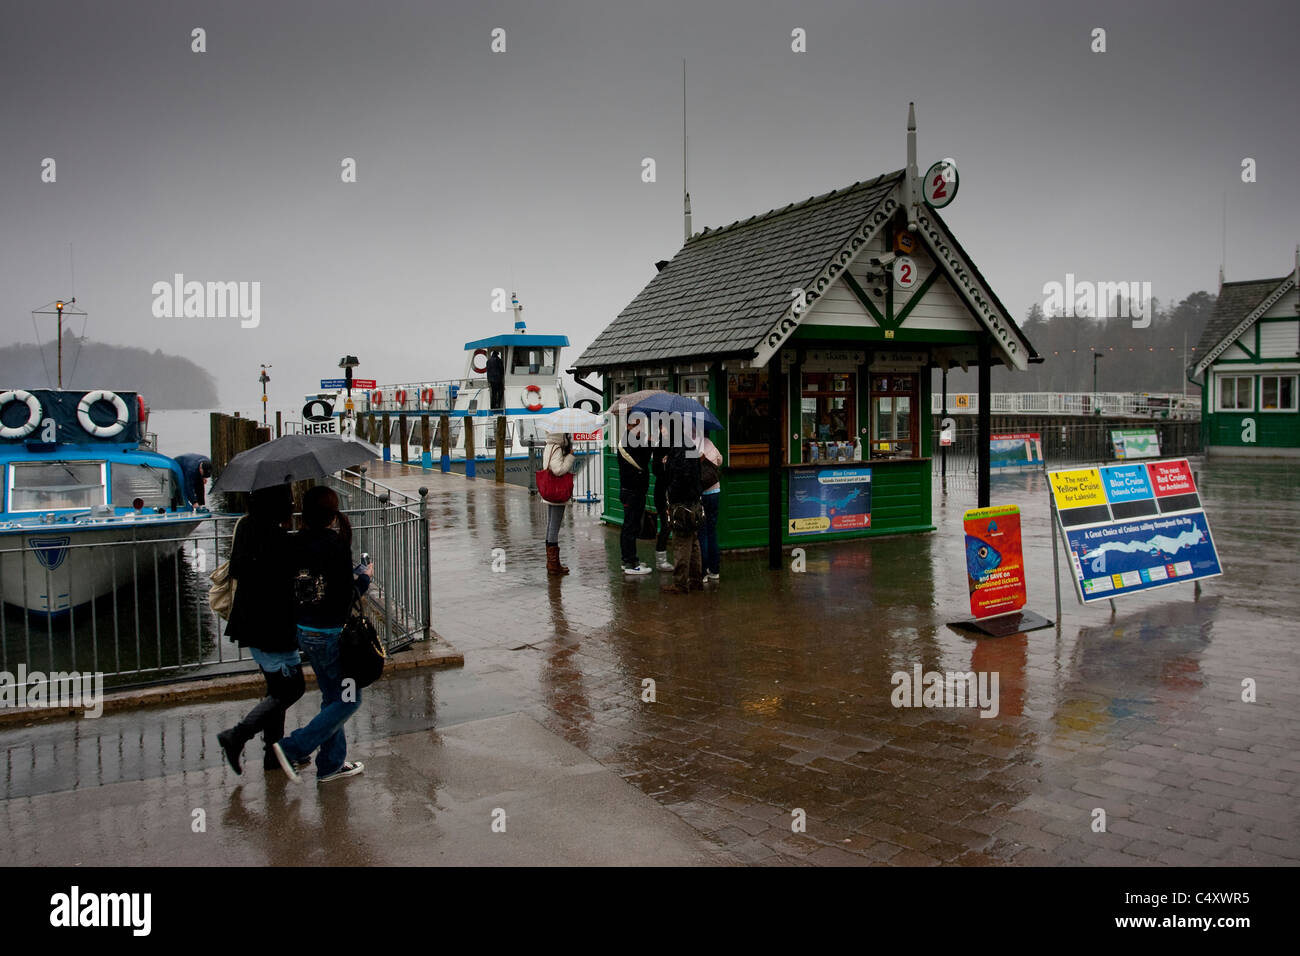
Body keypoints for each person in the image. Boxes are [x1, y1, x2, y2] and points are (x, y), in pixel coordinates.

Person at [272, 486, 372, 784]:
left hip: (305, 631)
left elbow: (310, 583)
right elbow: (345, 594)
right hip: (330, 634)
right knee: (349, 699)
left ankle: (330, 764)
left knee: (332, 696)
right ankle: (292, 747)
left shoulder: (293, 543)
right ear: (331, 515)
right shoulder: (336, 544)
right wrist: (364, 578)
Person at [216, 484, 307, 775]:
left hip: (251, 620)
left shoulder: (246, 527)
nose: (292, 504)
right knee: (292, 688)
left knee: (276, 689)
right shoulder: (276, 536)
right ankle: (237, 736)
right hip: (273, 623)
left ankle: (273, 754)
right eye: (288, 499)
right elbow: (291, 572)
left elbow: (239, 570)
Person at [662, 424, 704, 593]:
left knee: (681, 543)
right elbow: (695, 472)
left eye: (664, 428)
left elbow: (680, 477)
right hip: (694, 501)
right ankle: (696, 580)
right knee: (693, 542)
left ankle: (680, 583)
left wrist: (671, 495)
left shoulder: (678, 449)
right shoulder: (689, 445)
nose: (661, 431)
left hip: (681, 503)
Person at [616, 414, 653, 575]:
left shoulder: (634, 440)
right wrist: (649, 445)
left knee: (632, 526)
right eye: (637, 425)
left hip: (635, 491)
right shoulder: (626, 443)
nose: (640, 429)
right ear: (629, 426)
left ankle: (630, 559)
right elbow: (641, 463)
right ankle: (630, 562)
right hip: (631, 491)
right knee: (630, 527)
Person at [541, 428, 575, 576]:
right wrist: (570, 457)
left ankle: (551, 562)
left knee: (550, 524)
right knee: (554, 525)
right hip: (557, 491)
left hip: (550, 489)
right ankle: (553, 564)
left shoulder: (549, 445)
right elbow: (558, 470)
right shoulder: (556, 448)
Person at [697, 435, 723, 582]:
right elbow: (720, 460)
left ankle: (703, 572)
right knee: (712, 532)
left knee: (702, 533)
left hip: (702, 494)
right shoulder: (708, 442)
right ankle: (714, 569)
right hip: (715, 492)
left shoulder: (691, 444)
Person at [651, 443, 673, 571]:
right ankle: (661, 559)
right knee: (666, 524)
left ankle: (666, 558)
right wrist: (665, 465)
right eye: (661, 428)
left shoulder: (676, 447)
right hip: (661, 493)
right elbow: (655, 470)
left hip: (673, 492)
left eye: (665, 428)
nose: (663, 431)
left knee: (671, 525)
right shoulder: (659, 447)